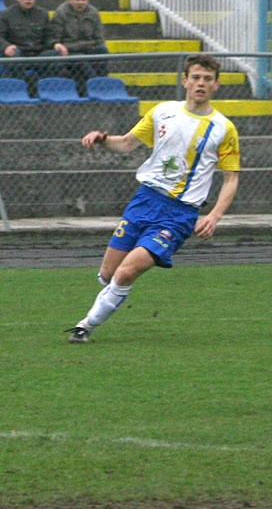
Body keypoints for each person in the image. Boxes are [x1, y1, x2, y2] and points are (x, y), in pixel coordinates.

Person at [66, 55, 240, 343]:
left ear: (216, 85)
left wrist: (214, 216)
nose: (201, 83)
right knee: (108, 273)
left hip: (178, 214)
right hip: (144, 200)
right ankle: (103, 303)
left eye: (207, 79)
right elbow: (126, 143)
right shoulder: (163, 112)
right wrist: (102, 139)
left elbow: (230, 178)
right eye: (196, 77)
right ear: (185, 80)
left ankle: (84, 326)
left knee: (126, 272)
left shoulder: (223, 128)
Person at [0, 0, 56, 79]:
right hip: (19, 54)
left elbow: (49, 36)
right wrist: (6, 46)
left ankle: (47, 87)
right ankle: (22, 87)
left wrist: (55, 44)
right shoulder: (6, 15)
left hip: (38, 54)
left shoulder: (43, 14)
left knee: (57, 54)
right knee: (14, 55)